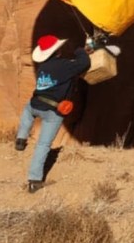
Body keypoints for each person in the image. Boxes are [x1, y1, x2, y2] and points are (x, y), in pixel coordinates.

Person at [16, 35, 92, 192]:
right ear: (57, 51)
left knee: (27, 113)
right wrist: (80, 51)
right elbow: (84, 63)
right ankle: (34, 180)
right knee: (43, 145)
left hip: (35, 104)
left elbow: (64, 69)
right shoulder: (66, 66)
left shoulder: (43, 66)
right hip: (53, 111)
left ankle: (20, 140)